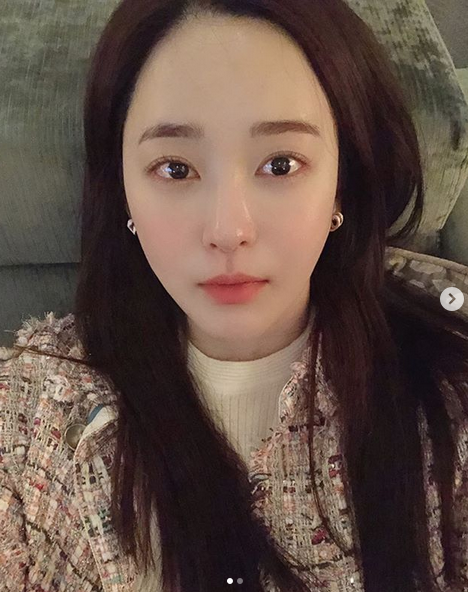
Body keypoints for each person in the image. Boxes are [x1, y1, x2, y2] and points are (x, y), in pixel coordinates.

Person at [1, 0, 468, 591]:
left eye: (281, 164)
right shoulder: (32, 409)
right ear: (121, 191)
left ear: (342, 185)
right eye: (175, 169)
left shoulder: (449, 396)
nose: (228, 230)